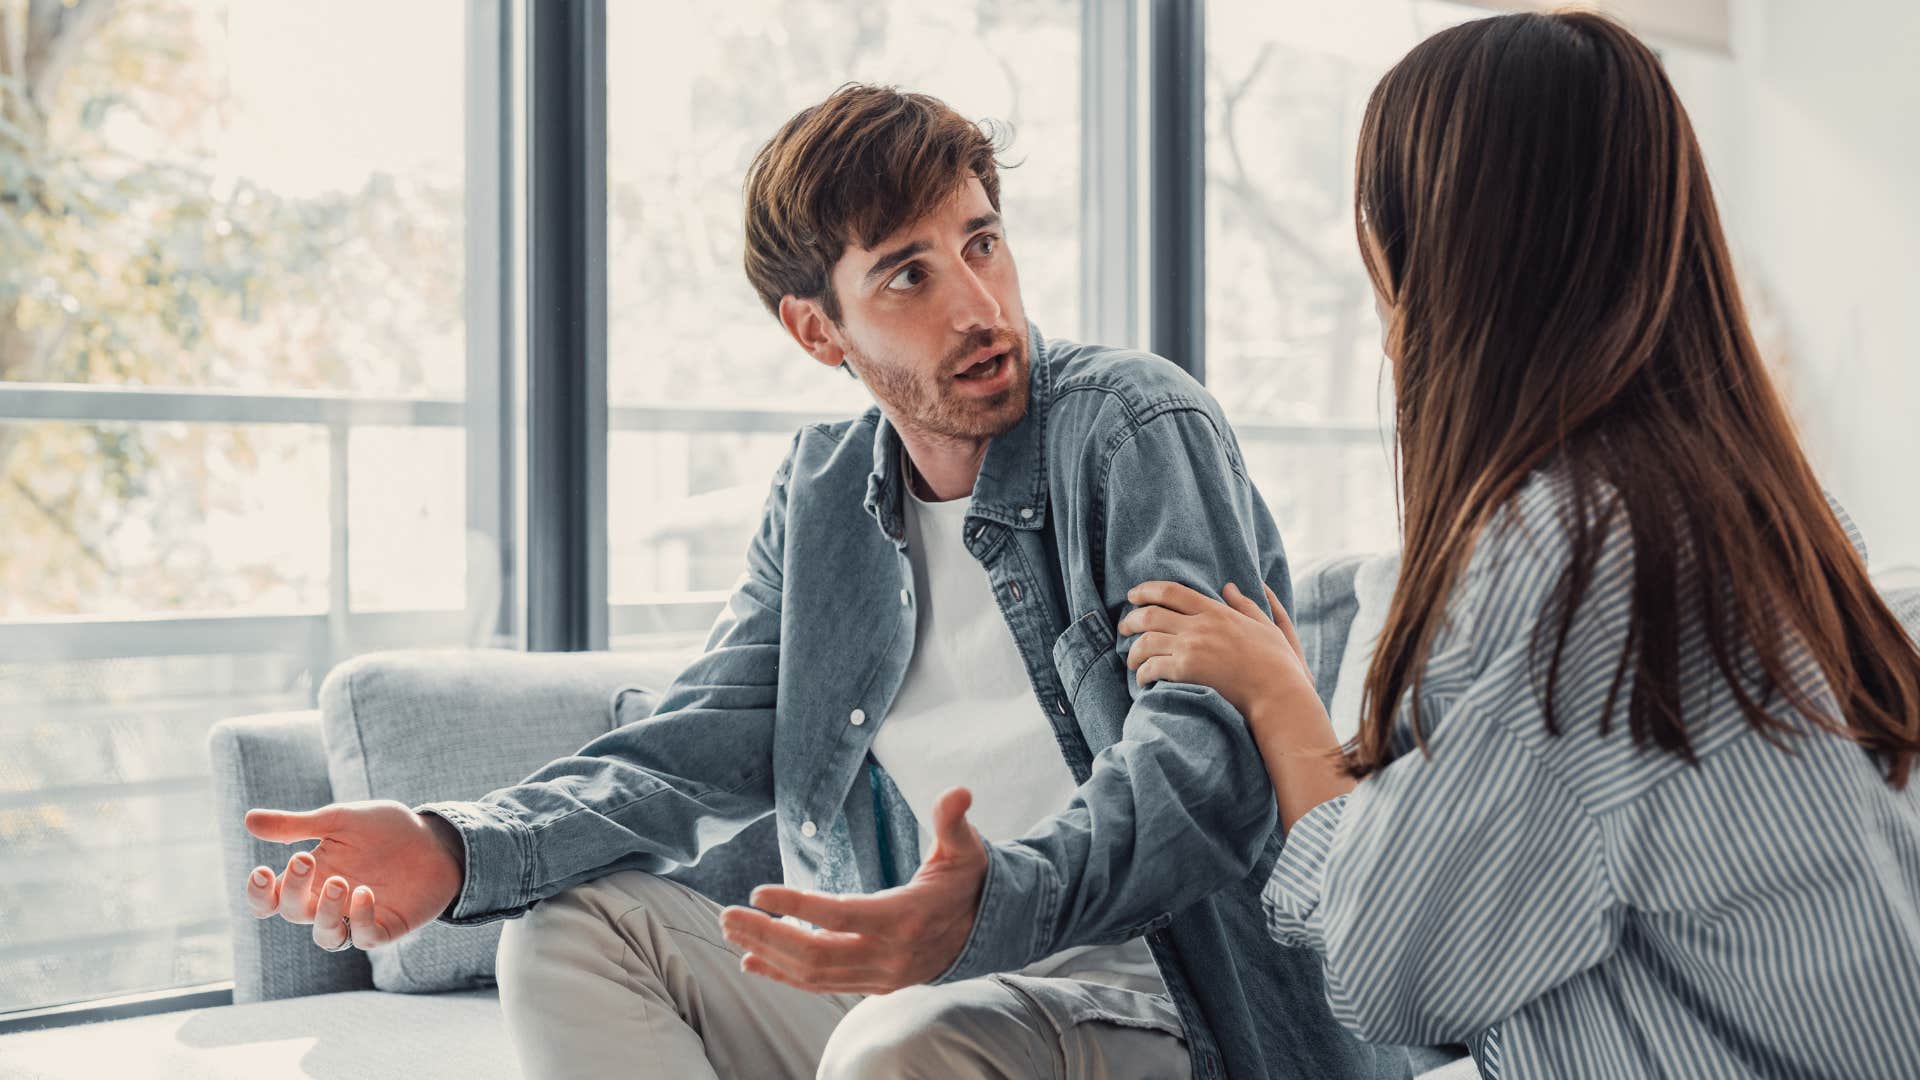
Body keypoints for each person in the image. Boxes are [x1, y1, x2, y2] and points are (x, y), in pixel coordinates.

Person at [238, 84, 1409, 1080]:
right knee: (566, 939)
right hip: (942, 984)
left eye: (981, 241)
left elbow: (1205, 768)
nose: (980, 306)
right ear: (817, 328)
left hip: (1169, 1002)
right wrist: (457, 844)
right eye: (908, 276)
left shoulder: (1130, 428)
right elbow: (699, 741)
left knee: (897, 1048)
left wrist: (985, 909)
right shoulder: (823, 497)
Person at [1120, 12, 1920, 1078]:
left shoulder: (1591, 566)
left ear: (1437, 248)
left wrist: (1278, 701)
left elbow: (1392, 967)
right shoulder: (1768, 515)